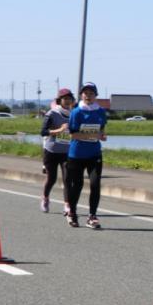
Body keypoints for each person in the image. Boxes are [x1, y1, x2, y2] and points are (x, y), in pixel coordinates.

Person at [65, 82, 108, 229]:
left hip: (94, 153)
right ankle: (72, 213)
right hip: (77, 154)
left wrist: (102, 135)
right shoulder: (76, 112)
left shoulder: (100, 111)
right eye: (85, 93)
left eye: (91, 93)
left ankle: (92, 216)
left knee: (95, 184)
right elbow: (73, 134)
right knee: (77, 185)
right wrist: (93, 135)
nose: (88, 96)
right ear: (81, 95)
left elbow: (101, 130)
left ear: (96, 95)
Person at [39, 87, 74, 215]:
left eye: (69, 99)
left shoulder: (74, 114)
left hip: (66, 152)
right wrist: (59, 130)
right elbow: (43, 132)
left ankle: (67, 205)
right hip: (51, 151)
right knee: (52, 179)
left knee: (67, 179)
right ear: (59, 100)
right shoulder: (52, 113)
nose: (67, 101)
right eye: (65, 99)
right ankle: (45, 198)